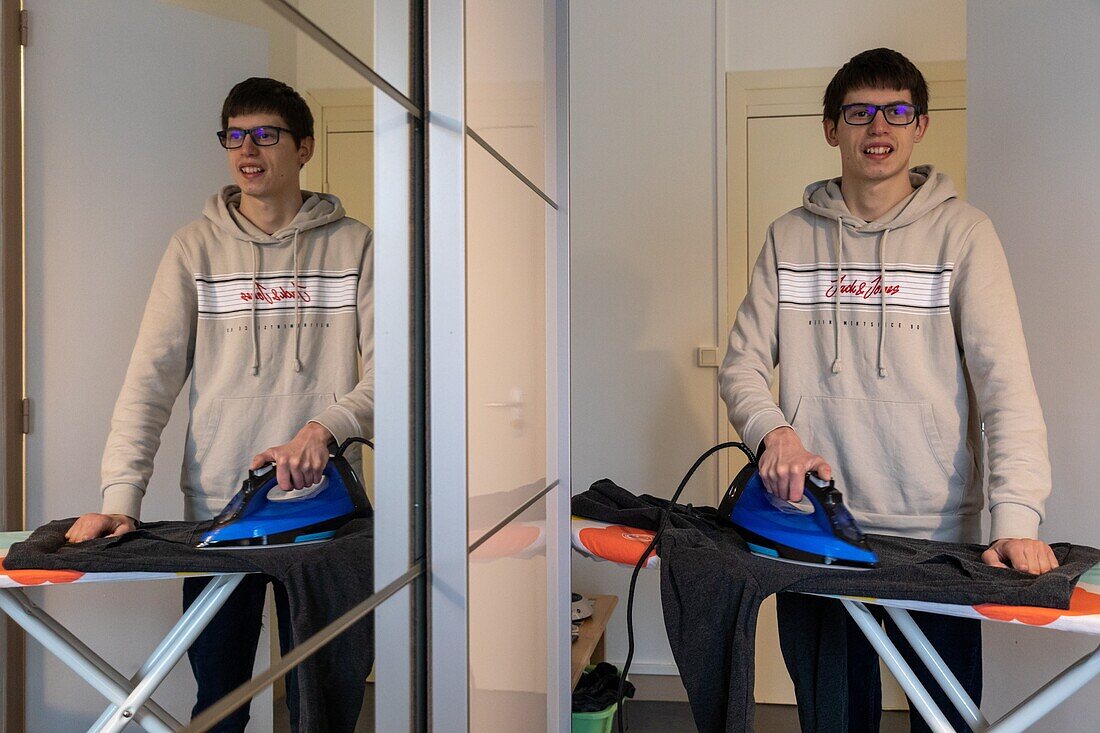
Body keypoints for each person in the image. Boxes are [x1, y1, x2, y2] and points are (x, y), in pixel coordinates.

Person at [718, 48, 1056, 732]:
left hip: (933, 537)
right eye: (860, 111)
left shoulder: (965, 235)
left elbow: (1007, 387)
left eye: (897, 110)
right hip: (817, 530)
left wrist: (1017, 518)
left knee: (944, 720)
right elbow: (742, 367)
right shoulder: (789, 238)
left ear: (920, 125)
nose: (879, 125)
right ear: (831, 128)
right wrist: (774, 432)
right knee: (833, 721)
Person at [65, 77, 373, 731]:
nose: (247, 149)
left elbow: (394, 376)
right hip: (220, 511)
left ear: (305, 147)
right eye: (234, 135)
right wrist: (121, 497)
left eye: (266, 134)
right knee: (221, 700)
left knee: (323, 702)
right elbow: (148, 382)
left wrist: (326, 426)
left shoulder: (356, 246)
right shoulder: (193, 249)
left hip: (325, 519)